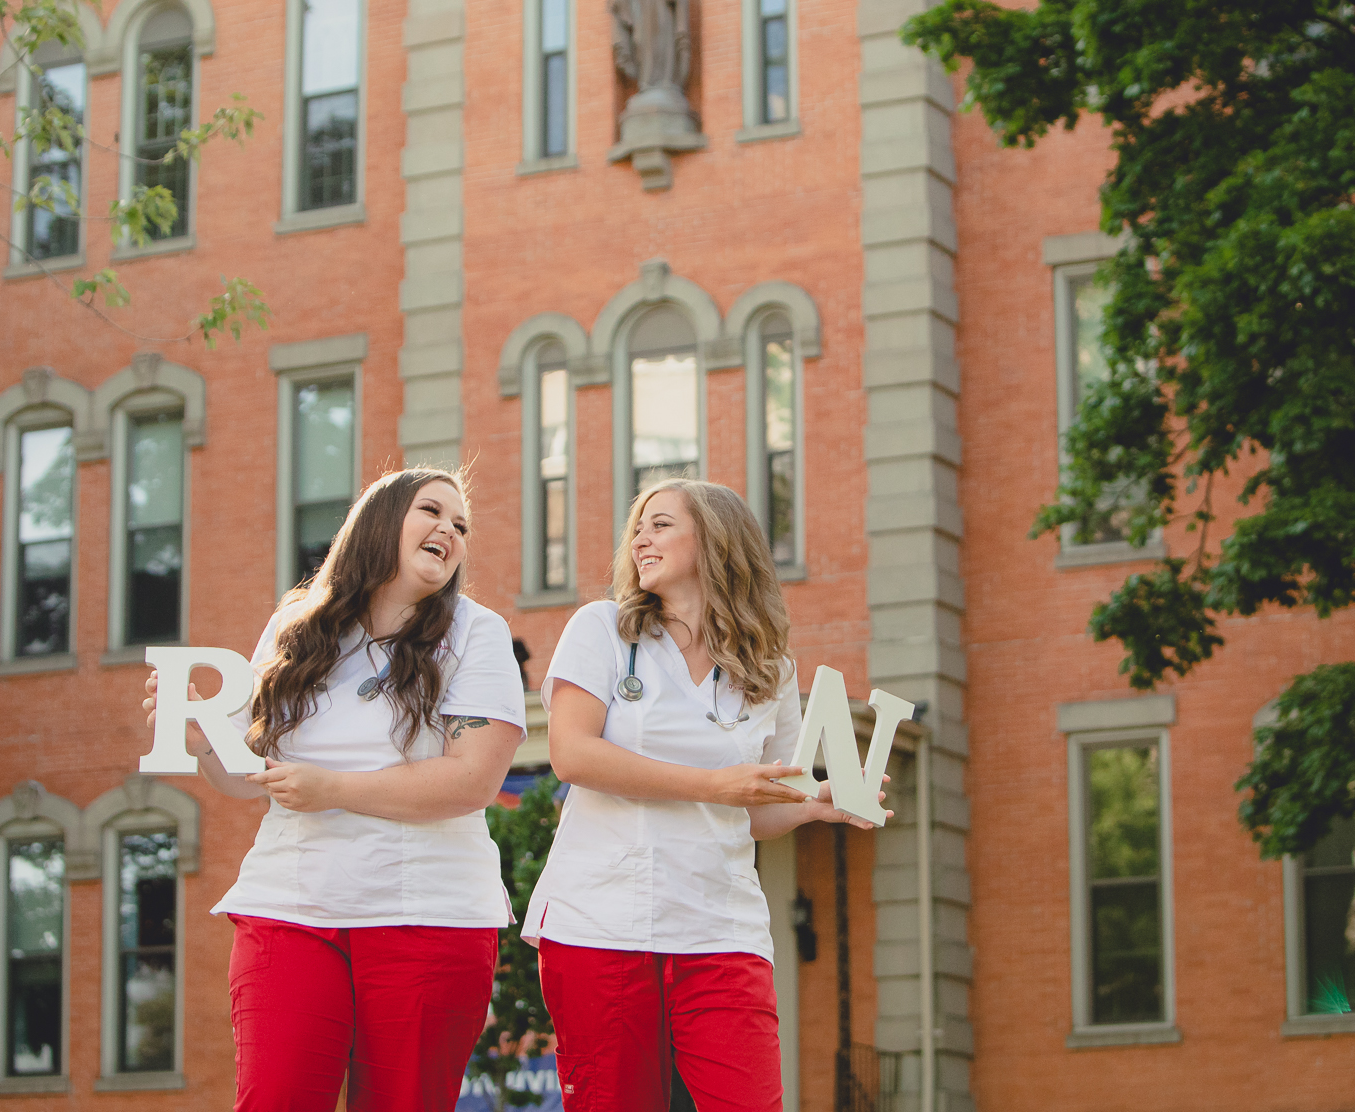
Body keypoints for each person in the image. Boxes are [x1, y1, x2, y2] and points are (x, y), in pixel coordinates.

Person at [141, 467, 527, 1112]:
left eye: (461, 526)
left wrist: (333, 788)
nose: (450, 531)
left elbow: (473, 779)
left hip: (425, 915)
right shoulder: (297, 627)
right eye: (431, 511)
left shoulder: (475, 632)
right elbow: (245, 774)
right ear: (379, 522)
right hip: (290, 909)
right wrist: (198, 736)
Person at [525, 478, 881, 1112]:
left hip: (721, 929)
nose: (640, 537)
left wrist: (817, 801)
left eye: (660, 524)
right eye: (637, 526)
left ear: (714, 540)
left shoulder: (771, 669)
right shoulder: (602, 630)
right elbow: (572, 754)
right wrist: (715, 786)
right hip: (602, 922)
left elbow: (762, 810)